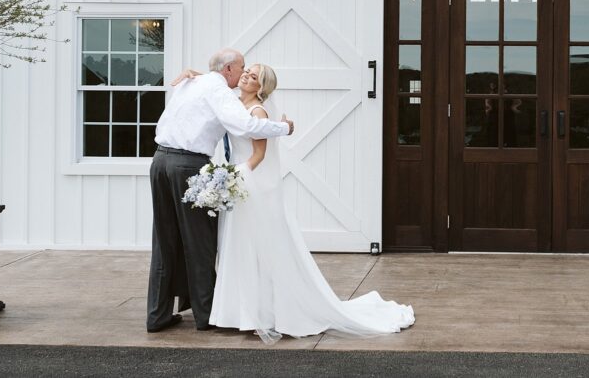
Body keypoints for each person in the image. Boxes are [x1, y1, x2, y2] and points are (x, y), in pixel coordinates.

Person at [205, 63, 414, 341]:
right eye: (247, 71)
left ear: (261, 88)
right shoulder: (234, 103)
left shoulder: (257, 111)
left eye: (254, 76)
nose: (246, 76)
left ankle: (265, 312)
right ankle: (238, 312)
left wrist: (231, 177)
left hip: (252, 185)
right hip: (242, 186)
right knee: (240, 246)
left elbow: (258, 156)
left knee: (258, 247)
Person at [146, 49, 295, 333]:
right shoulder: (221, 92)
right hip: (186, 165)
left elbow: (213, 87)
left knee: (164, 241)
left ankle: (157, 315)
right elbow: (246, 125)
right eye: (242, 69)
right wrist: (284, 128)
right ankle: (205, 316)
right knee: (199, 242)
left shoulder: (192, 82)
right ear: (228, 69)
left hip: (159, 161)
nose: (243, 74)